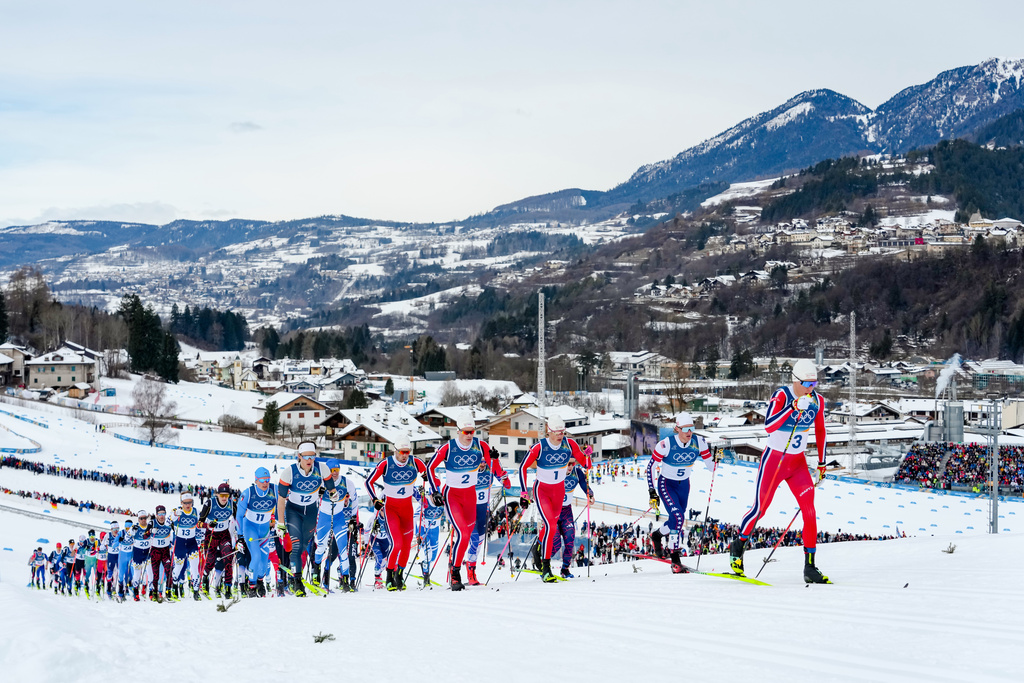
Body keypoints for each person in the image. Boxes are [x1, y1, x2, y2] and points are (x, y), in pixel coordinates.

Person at [730, 358, 830, 584]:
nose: (810, 389)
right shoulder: (782, 395)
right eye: (806, 384)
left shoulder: (817, 401)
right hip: (774, 461)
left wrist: (822, 464)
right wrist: (793, 408)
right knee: (760, 509)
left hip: (798, 464)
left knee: (810, 512)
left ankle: (810, 567)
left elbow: (821, 431)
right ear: (795, 381)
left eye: (814, 384)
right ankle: (738, 545)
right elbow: (769, 425)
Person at [427, 414, 502, 591]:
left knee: (468, 536)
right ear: (459, 431)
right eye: (466, 432)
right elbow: (430, 467)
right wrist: (435, 490)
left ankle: (461, 569)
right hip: (453, 496)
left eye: (472, 431)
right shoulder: (449, 448)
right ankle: (456, 573)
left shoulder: (480, 445)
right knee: (464, 534)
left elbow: (496, 470)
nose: (470, 435)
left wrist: (495, 458)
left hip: (470, 497)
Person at [518, 414, 592, 583]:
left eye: (562, 432)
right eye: (557, 432)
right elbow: (522, 467)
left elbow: (585, 464)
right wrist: (523, 492)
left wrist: (587, 455)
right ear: (549, 431)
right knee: (551, 525)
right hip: (542, 490)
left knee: (550, 527)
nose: (560, 435)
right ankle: (546, 568)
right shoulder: (540, 447)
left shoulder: (569, 444)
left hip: (559, 490)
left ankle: (539, 547)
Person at [647, 411, 714, 573]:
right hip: (667, 484)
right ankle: (675, 559)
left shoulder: (699, 442)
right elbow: (650, 467)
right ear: (677, 429)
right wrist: (652, 491)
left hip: (684, 485)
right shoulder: (666, 444)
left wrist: (717, 458)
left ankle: (657, 535)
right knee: (678, 518)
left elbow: (711, 466)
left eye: (691, 428)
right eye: (685, 429)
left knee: (677, 519)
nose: (689, 433)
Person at [366, 434, 428, 591]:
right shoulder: (386, 464)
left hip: (407, 509)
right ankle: (388, 576)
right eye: (402, 452)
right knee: (397, 543)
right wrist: (375, 499)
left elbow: (430, 473)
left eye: (407, 452)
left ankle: (399, 576)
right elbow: (369, 482)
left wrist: (430, 482)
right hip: (391, 509)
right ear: (395, 451)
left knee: (407, 546)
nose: (404, 455)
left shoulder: (415, 462)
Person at [276, 441, 331, 597]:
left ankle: (295, 577)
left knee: (303, 548)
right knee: (296, 545)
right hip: (293, 511)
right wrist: (281, 523)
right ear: (299, 456)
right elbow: (281, 500)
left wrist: (331, 493)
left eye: (312, 456)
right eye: (306, 456)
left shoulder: (321, 469)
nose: (309, 460)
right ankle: (297, 581)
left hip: (311, 512)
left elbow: (329, 486)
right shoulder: (289, 472)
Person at [465, 449, 512, 586]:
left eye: (485, 461)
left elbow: (507, 485)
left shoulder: (490, 470)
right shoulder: (469, 471)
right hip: (469, 510)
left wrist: (497, 464)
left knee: (478, 543)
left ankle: (472, 570)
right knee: (474, 541)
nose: (483, 464)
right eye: (480, 462)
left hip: (483, 512)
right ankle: (468, 573)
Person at [313, 459, 358, 591]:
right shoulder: (321, 482)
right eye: (332, 471)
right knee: (321, 547)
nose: (334, 473)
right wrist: (318, 494)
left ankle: (345, 580)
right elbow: (312, 500)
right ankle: (316, 572)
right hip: (324, 517)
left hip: (339, 517)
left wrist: (353, 518)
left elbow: (354, 500)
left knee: (343, 549)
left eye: (337, 470)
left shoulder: (347, 483)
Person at [550, 461, 594, 578]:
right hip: (553, 511)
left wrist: (590, 494)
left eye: (572, 463)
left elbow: (584, 485)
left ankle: (565, 569)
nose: (570, 467)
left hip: (566, 512)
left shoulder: (576, 472)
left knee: (570, 542)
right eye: (568, 463)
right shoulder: (556, 470)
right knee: (556, 545)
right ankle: (543, 564)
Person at [238, 467, 277, 597]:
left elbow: (282, 505)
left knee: (264, 561)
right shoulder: (248, 493)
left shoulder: (274, 490)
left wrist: (281, 523)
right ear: (256, 480)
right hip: (250, 528)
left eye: (267, 480)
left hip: (265, 529)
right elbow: (239, 515)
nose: (265, 483)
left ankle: (260, 581)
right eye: (262, 480)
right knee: (256, 556)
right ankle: (251, 585)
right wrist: (239, 536)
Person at [199, 482, 237, 598]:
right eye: (222, 495)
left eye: (227, 495)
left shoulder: (231, 504)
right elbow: (199, 523)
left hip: (224, 535)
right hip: (211, 535)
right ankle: (205, 581)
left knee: (228, 558)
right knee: (210, 561)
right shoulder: (210, 503)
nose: (224, 498)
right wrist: (208, 525)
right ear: (217, 495)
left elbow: (238, 519)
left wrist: (239, 535)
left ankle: (228, 588)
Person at [171, 492, 204, 600]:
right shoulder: (177, 511)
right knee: (178, 567)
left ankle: (195, 591)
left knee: (195, 568)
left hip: (191, 542)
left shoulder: (196, 512)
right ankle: (174, 586)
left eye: (190, 502)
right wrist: (176, 514)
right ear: (181, 503)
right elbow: (171, 517)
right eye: (185, 503)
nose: (188, 505)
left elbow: (202, 523)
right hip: (180, 542)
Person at [414, 486, 444, 586]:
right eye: (434, 497)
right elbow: (413, 519)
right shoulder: (424, 503)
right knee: (428, 553)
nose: (436, 500)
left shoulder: (442, 504)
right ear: (430, 495)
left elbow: (450, 515)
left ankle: (424, 566)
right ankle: (426, 577)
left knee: (433, 557)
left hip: (435, 532)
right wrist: (417, 534)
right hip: (424, 531)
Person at [149, 506, 174, 600]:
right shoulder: (152, 523)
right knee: (156, 576)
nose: (162, 516)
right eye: (160, 514)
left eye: (163, 514)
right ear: (156, 515)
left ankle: (168, 592)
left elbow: (176, 529)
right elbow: (145, 535)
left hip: (165, 553)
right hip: (155, 552)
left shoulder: (168, 523)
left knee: (169, 572)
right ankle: (154, 593)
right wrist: (151, 531)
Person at [131, 510, 153, 601]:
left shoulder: (150, 527)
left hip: (147, 552)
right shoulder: (135, 527)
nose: (143, 520)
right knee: (137, 574)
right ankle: (136, 592)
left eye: (145, 518)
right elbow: (129, 536)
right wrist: (133, 531)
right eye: (141, 518)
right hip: (137, 552)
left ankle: (151, 591)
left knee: (150, 572)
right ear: (138, 519)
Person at [116, 519, 135, 599]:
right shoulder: (121, 533)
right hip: (122, 556)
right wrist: (118, 541)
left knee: (132, 572)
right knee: (121, 573)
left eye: (129, 528)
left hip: (131, 555)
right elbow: (114, 543)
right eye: (126, 528)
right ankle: (121, 588)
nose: (127, 530)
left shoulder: (134, 533)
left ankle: (130, 587)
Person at [104, 521, 120, 598]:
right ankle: (108, 587)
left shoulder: (120, 535)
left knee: (118, 572)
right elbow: (102, 545)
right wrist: (104, 546)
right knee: (110, 573)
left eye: (117, 529)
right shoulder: (108, 535)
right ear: (111, 529)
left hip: (118, 555)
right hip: (111, 556)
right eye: (114, 529)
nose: (116, 531)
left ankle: (114, 587)